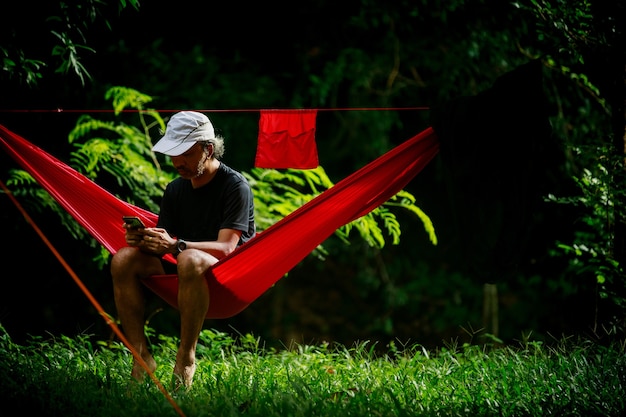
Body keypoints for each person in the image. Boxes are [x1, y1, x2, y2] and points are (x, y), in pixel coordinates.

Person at [110, 111, 256, 388]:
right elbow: (165, 245)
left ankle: (186, 357)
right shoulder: (175, 190)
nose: (178, 162)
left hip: (226, 280)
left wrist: (176, 245)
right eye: (173, 154)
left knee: (188, 258)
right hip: (181, 274)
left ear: (208, 149)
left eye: (186, 154)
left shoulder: (235, 186)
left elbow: (227, 248)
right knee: (123, 259)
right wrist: (144, 240)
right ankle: (141, 357)